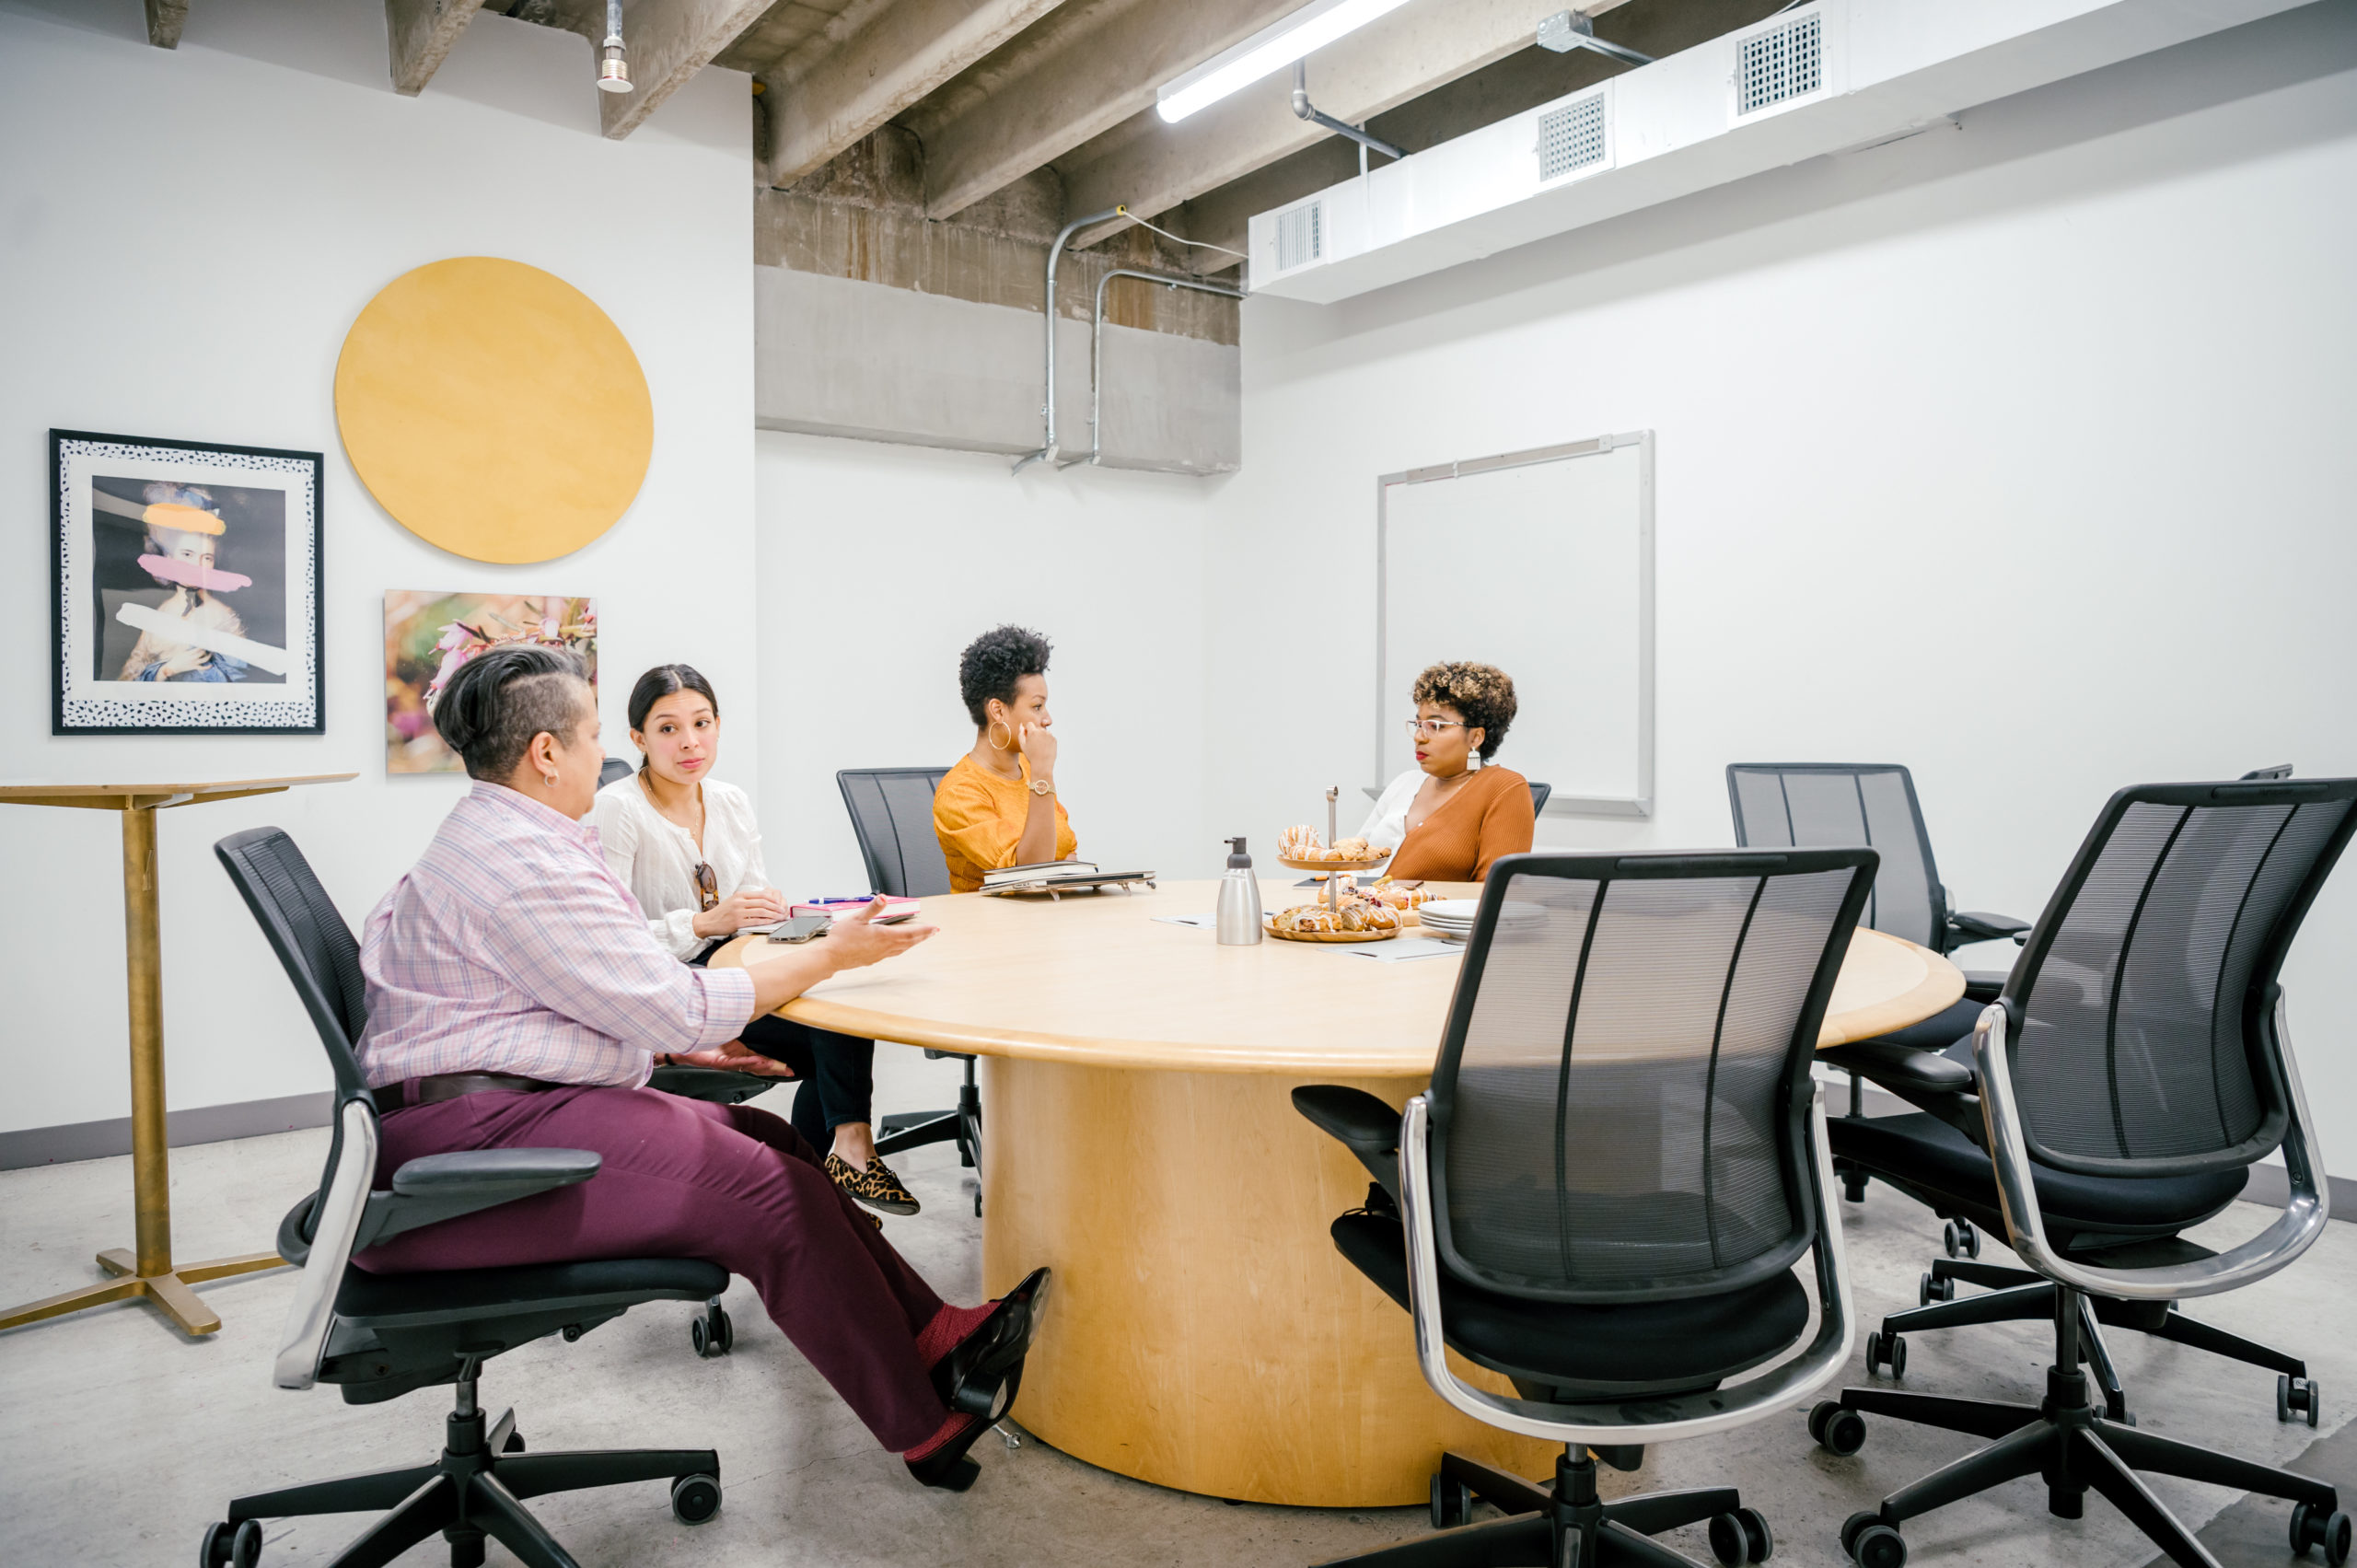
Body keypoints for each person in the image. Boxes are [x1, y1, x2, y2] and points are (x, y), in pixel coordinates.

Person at [351, 644, 1047, 1490]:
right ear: (546, 753)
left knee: (771, 1137)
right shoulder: (525, 863)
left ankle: (934, 1331)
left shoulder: (495, 832)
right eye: (593, 736)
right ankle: (920, 1423)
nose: (597, 755)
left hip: (494, 1107)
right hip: (474, 1154)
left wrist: (667, 1030)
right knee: (771, 1197)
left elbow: (582, 991)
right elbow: (673, 1002)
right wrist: (832, 952)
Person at [589, 665, 922, 1218]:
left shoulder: (729, 801)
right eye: (668, 729)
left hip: (734, 964)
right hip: (672, 985)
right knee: (828, 1030)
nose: (689, 742)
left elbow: (748, 907)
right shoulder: (619, 809)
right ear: (638, 739)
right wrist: (702, 923)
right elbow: (609, 944)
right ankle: (833, 1182)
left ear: (719, 725)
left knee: (835, 1001)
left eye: (701, 723)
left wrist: (789, 922)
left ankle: (836, 1170)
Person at [933, 624, 1077, 894]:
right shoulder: (959, 794)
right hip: (991, 931)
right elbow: (1032, 874)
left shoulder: (1028, 769)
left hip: (1048, 923)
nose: (1047, 719)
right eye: (1037, 706)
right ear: (998, 711)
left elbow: (1068, 851)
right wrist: (1043, 773)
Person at [1360, 660, 1534, 883]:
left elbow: (1492, 894)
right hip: (1363, 911)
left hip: (1423, 917)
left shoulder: (1504, 788)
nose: (1419, 736)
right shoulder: (1405, 783)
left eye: (1436, 726)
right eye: (1418, 724)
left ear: (1476, 737)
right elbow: (1353, 862)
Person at [118, 483, 252, 682]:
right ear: (170, 559)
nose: (197, 566)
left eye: (206, 558)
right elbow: (127, 679)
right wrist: (167, 670)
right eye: (187, 554)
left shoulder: (226, 618)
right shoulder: (160, 615)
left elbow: (239, 684)